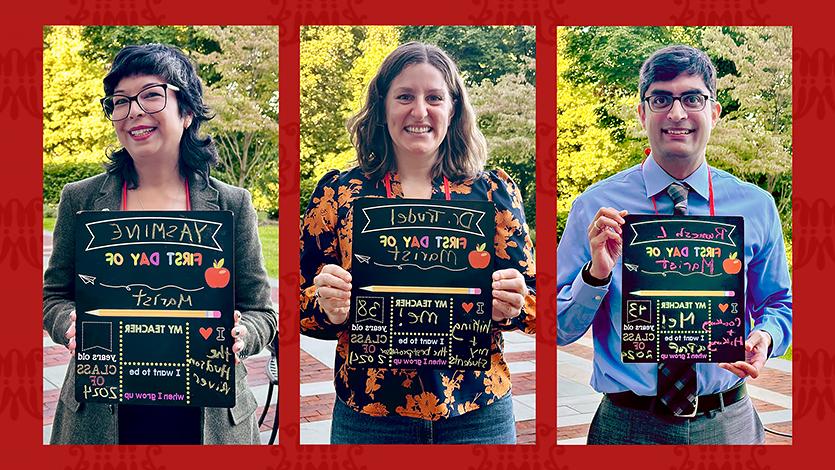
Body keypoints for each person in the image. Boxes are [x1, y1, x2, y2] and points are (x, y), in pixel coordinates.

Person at [300, 42, 536, 444]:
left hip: (478, 411)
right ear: (382, 107)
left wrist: (512, 305)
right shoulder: (339, 194)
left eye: (434, 98)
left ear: (453, 109)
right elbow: (297, 302)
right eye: (405, 96)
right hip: (370, 415)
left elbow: (535, 302)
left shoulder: (493, 192)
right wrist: (327, 307)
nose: (420, 111)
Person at [557, 44, 792, 444]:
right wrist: (596, 275)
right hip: (627, 427)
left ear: (714, 112)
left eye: (692, 98)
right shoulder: (595, 208)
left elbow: (781, 304)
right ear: (642, 112)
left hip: (728, 422)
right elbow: (558, 329)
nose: (677, 113)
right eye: (661, 99)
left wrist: (766, 337)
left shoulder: (757, 205)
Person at [42, 43, 277, 444]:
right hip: (102, 417)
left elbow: (261, 312)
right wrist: (69, 324)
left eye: (151, 95)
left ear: (186, 112)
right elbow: (54, 297)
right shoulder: (80, 199)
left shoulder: (232, 204)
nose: (133, 111)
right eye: (119, 102)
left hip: (209, 419)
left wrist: (244, 334)